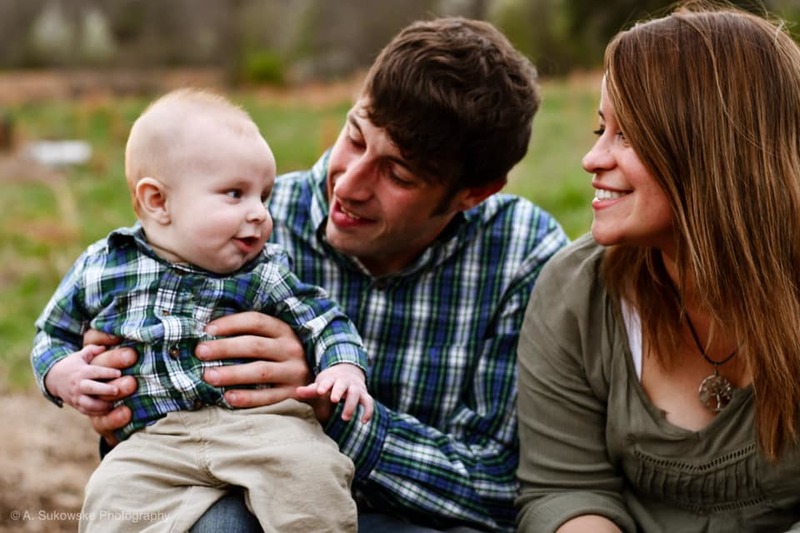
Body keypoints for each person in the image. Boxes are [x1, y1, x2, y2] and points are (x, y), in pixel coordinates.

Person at [81, 16, 569, 533]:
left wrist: (327, 405)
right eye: (355, 137)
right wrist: (123, 392)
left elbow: (503, 488)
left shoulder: (522, 253)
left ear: (474, 193)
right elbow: (140, 429)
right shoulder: (238, 224)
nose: (350, 185)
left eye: (398, 174)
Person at [31, 88, 373, 532]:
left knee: (314, 476)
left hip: (262, 429)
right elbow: (50, 334)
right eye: (235, 194)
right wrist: (61, 375)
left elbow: (325, 319)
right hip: (155, 439)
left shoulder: (265, 270)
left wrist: (344, 367)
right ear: (158, 201)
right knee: (110, 497)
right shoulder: (104, 266)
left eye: (263, 196)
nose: (259, 215)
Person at [515, 3, 800, 532]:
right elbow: (565, 489)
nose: (592, 158)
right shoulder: (577, 294)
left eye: (626, 135)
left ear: (710, 149)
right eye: (602, 128)